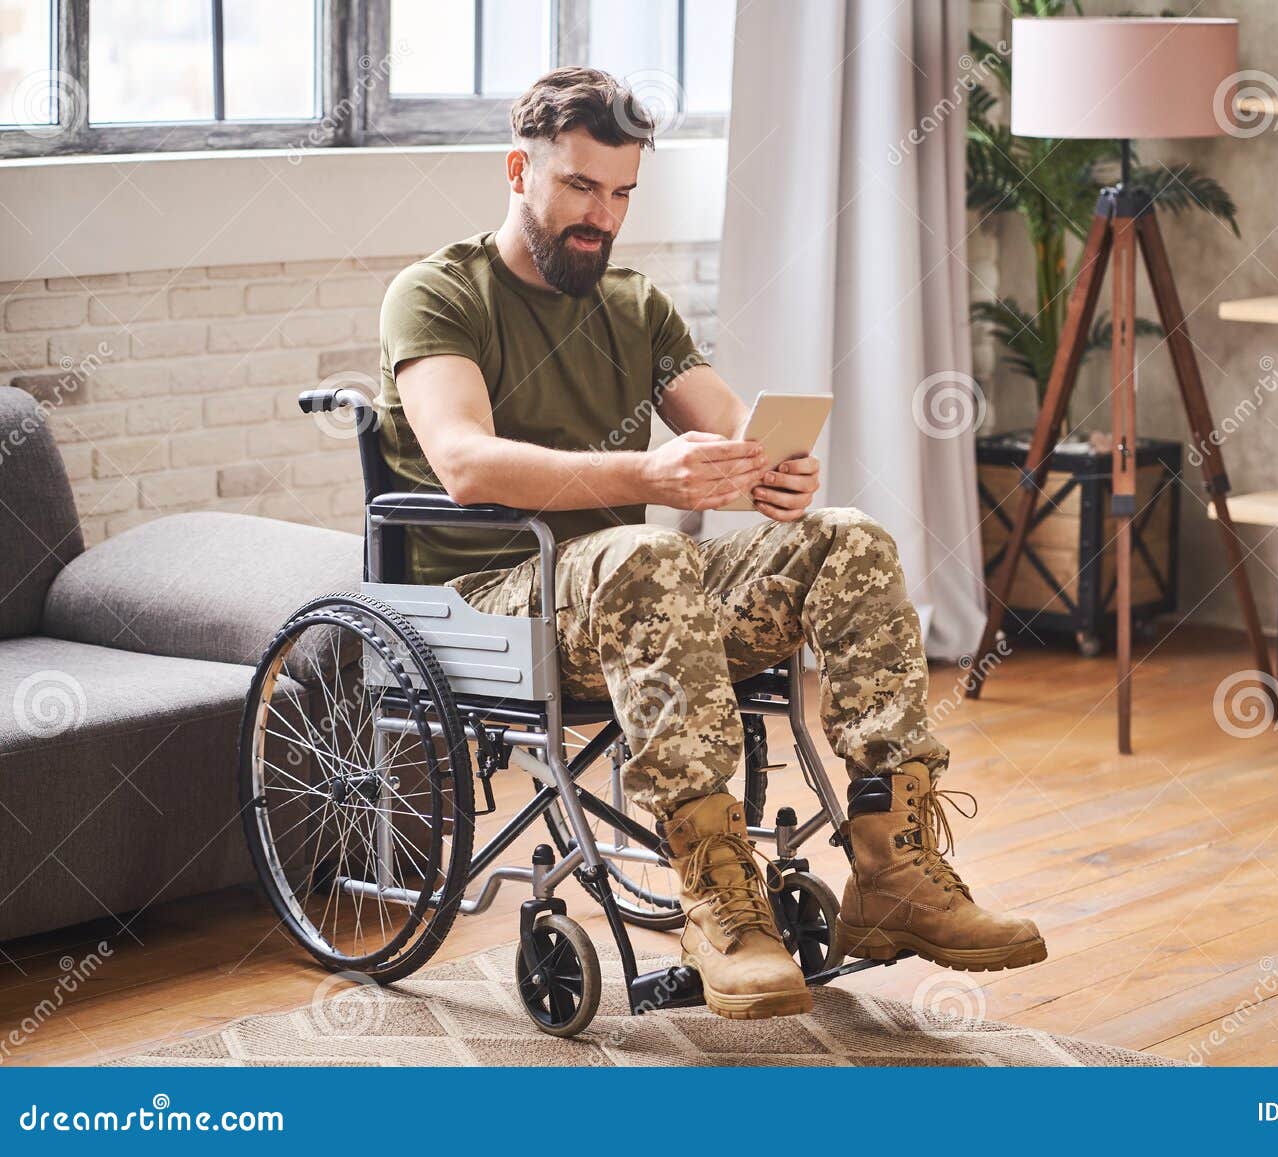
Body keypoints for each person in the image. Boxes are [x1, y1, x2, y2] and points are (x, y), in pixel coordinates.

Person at [377, 67, 1045, 1021]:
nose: (599, 218)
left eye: (620, 195)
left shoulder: (636, 305)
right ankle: (714, 893)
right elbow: (466, 464)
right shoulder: (438, 293)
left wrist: (777, 474)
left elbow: (733, 431)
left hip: (631, 600)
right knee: (642, 551)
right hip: (489, 599)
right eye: (578, 187)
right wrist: (645, 479)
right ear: (519, 169)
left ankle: (894, 868)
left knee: (843, 536)